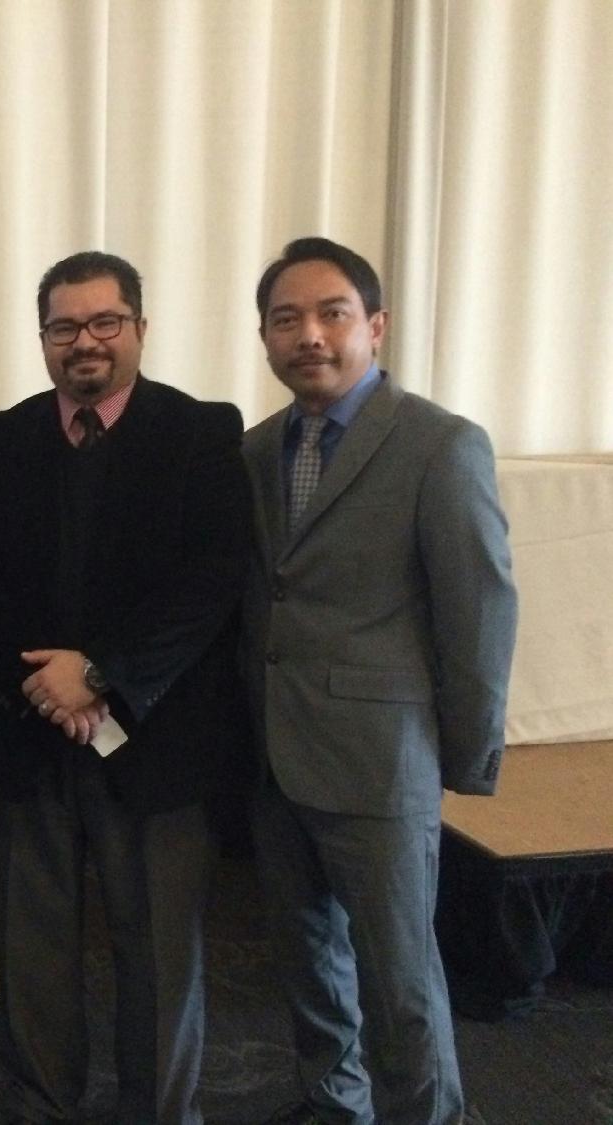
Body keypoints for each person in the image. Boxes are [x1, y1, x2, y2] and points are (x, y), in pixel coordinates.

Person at [0, 251, 250, 1124]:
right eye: (64, 326)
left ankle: (158, 1111)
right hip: (35, 735)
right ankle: (40, 1102)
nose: (85, 342)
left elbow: (209, 586)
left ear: (140, 330)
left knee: (157, 952)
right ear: (42, 339)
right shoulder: (3, 438)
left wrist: (103, 677)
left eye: (104, 322)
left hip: (157, 742)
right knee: (34, 948)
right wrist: (49, 689)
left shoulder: (200, 433)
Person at [241, 237, 518, 1125]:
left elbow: (480, 611)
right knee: (310, 960)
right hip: (275, 753)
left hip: (380, 761)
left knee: (399, 978)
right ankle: (335, 1103)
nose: (309, 335)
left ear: (376, 325)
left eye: (332, 313)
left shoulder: (441, 445)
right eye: (287, 319)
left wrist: (462, 758)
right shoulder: (256, 450)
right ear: (266, 338)